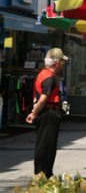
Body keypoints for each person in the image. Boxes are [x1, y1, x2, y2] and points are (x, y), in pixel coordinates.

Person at [26, 48, 68, 178]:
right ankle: (43, 174)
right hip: (49, 113)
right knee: (47, 146)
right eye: (61, 61)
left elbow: (36, 96)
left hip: (45, 113)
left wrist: (34, 110)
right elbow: (43, 98)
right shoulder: (50, 77)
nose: (62, 64)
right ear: (56, 62)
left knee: (44, 144)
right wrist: (34, 113)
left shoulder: (42, 73)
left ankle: (43, 173)